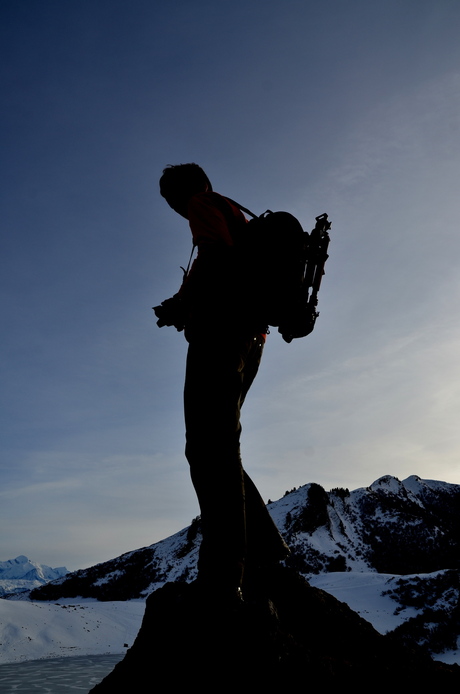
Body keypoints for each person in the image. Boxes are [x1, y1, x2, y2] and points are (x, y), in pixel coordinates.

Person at [154, 163, 289, 600]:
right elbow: (226, 263)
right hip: (250, 337)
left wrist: (186, 305)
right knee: (216, 443)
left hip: (222, 335)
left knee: (209, 446)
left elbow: (217, 257)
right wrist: (182, 304)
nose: (174, 207)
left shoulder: (203, 204)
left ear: (184, 192)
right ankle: (263, 550)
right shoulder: (235, 212)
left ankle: (225, 571)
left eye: (170, 198)